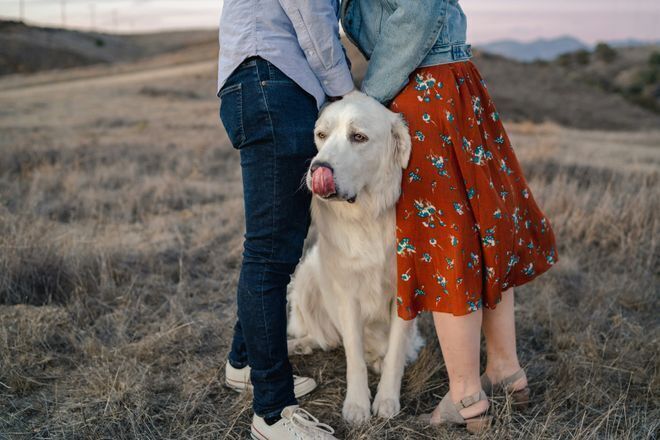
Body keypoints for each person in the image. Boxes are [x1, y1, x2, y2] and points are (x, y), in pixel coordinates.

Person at [341, 0, 558, 433]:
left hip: (427, 99)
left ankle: (466, 396)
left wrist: (369, 98)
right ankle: (505, 370)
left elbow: (419, 12)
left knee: (447, 249)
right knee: (477, 238)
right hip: (452, 88)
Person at [217, 1, 354, 438]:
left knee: (278, 245)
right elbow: (311, 16)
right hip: (272, 81)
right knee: (269, 253)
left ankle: (246, 363)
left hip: (267, 81)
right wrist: (346, 95)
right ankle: (272, 412)